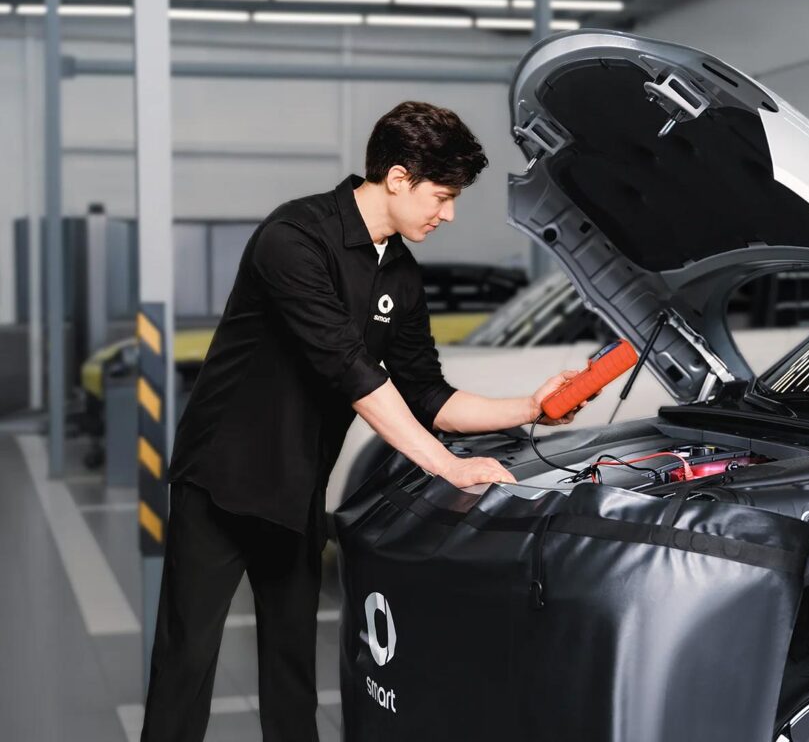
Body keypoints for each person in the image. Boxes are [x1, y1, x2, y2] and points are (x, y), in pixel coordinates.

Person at [140, 101, 583, 742]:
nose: (449, 213)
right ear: (398, 178)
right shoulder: (292, 237)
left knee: (293, 675)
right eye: (443, 195)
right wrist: (446, 466)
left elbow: (428, 393)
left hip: (294, 492)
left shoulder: (399, 274)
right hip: (221, 481)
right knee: (186, 663)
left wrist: (531, 407)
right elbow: (352, 373)